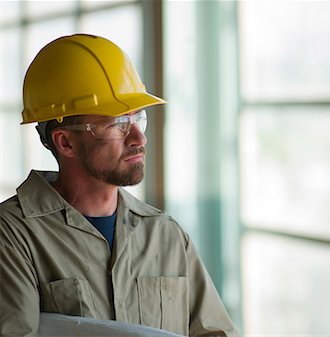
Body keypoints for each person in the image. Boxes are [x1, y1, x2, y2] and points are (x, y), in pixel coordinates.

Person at [0, 34, 238, 337]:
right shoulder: (12, 237)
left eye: (138, 118)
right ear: (65, 142)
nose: (139, 138)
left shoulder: (166, 235)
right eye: (118, 124)